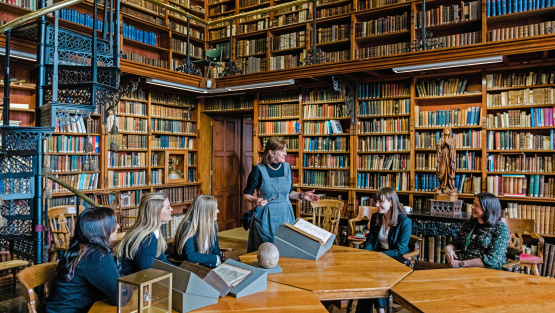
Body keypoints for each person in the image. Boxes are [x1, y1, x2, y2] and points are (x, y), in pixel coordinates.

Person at [45, 207, 131, 313]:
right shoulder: (97, 256)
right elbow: (119, 298)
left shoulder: (82, 249)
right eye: (113, 224)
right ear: (100, 229)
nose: (118, 226)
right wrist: (131, 281)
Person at [244, 137, 320, 252]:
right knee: (266, 249)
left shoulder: (287, 168)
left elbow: (288, 193)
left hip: (286, 214)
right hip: (266, 217)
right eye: (282, 150)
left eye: (285, 150)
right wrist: (256, 200)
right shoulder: (258, 170)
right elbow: (246, 195)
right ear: (271, 152)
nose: (286, 153)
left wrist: (302, 195)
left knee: (286, 248)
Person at [357, 187, 412, 313]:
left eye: (381, 202)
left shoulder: (405, 222)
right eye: (376, 201)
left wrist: (377, 257)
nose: (377, 205)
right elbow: (370, 240)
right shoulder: (376, 216)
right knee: (368, 271)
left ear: (391, 202)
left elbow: (400, 251)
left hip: (396, 260)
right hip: (377, 260)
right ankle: (380, 309)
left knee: (372, 274)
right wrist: (366, 254)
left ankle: (377, 310)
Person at [444, 193, 510, 270]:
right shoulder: (470, 223)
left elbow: (492, 260)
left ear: (488, 208)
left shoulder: (501, 228)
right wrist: (448, 248)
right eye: (473, 203)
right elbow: (457, 242)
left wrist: (461, 263)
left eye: (477, 205)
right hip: (466, 269)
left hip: (490, 271)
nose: (472, 207)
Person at [115, 192, 173, 275]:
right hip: (133, 285)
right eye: (168, 207)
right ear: (156, 211)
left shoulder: (154, 232)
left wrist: (183, 273)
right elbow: (146, 274)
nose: (171, 209)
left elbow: (162, 260)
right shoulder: (147, 239)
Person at [172, 195, 222, 267]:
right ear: (205, 211)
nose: (218, 211)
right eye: (215, 208)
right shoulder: (188, 226)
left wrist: (218, 262)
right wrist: (214, 259)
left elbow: (216, 249)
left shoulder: (213, 224)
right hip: (189, 268)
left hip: (205, 265)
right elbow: (190, 256)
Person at [436, 127, 457, 195]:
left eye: (448, 130)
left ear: (450, 131)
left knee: (449, 170)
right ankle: (442, 186)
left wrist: (447, 143)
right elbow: (438, 145)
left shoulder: (451, 139)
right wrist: (442, 143)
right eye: (445, 130)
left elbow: (453, 147)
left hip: (449, 157)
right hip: (443, 156)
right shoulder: (441, 139)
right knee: (442, 171)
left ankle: (449, 187)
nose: (446, 131)